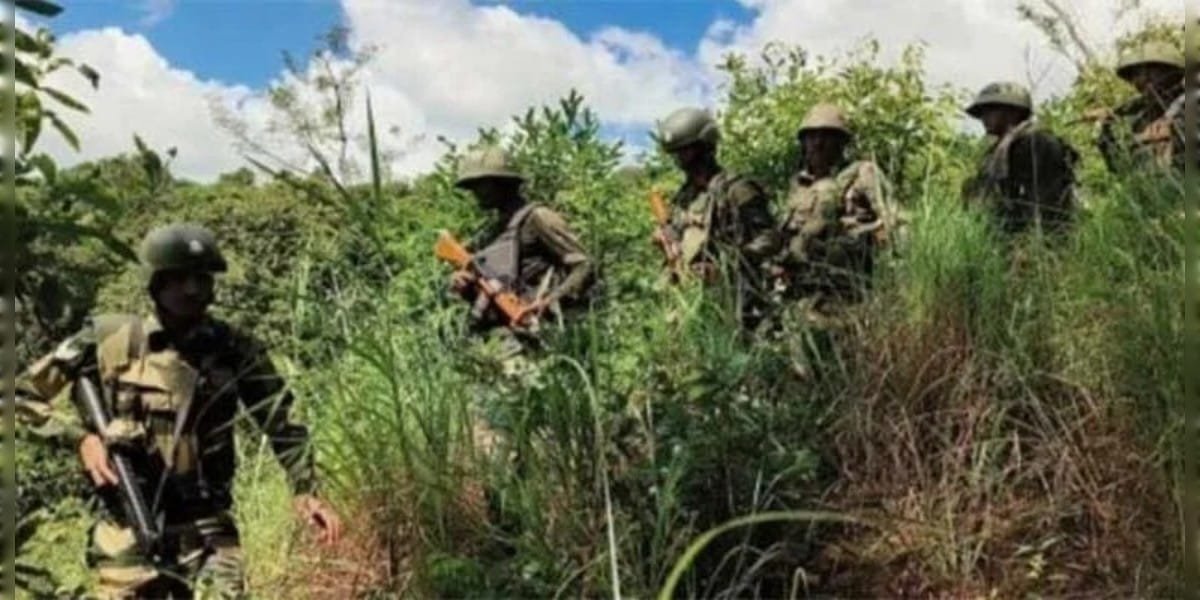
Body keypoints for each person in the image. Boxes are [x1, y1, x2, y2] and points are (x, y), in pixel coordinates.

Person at [14, 223, 342, 599]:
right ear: (156, 283)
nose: (192, 289)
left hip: (209, 529)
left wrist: (306, 490)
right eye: (179, 278)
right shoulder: (109, 338)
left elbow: (282, 423)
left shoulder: (235, 349)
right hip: (127, 527)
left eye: (201, 278)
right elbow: (19, 396)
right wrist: (80, 438)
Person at [447, 144, 595, 364]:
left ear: (503, 183)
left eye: (481, 184)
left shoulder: (539, 218)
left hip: (534, 335)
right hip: (496, 340)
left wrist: (550, 303)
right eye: (473, 186)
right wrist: (465, 284)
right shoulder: (492, 232)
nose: (475, 192)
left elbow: (584, 265)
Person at [653, 106, 779, 327]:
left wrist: (726, 266)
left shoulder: (737, 189)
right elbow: (680, 236)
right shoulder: (685, 196)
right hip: (692, 302)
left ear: (705, 147)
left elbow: (770, 238)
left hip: (737, 301)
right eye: (677, 153)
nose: (681, 159)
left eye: (686, 151)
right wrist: (665, 239)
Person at [773, 103, 899, 309]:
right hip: (801, 292)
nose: (818, 143)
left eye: (827, 136)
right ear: (803, 142)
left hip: (846, 295)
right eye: (812, 136)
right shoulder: (799, 186)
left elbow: (894, 223)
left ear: (842, 143)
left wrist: (867, 234)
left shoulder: (863, 173)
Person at [962, 82, 1078, 234]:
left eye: (991, 110)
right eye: (982, 112)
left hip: (1036, 237)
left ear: (1013, 111)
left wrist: (1035, 241)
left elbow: (1047, 201)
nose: (984, 117)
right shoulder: (999, 152)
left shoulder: (1037, 142)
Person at [1096, 40, 1185, 172]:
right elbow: (1122, 169)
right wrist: (1106, 131)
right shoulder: (1144, 119)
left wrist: (1172, 130)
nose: (1136, 82)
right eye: (1134, 77)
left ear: (1165, 70)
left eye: (1140, 73)